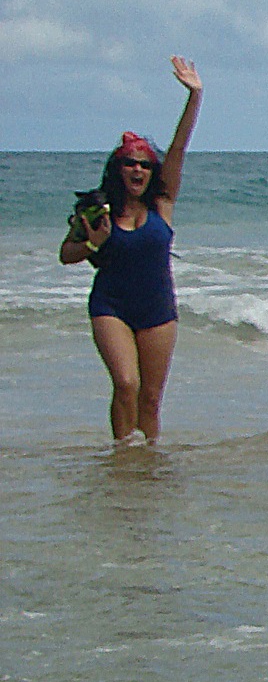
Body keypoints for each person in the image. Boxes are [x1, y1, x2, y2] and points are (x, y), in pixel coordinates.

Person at [59, 56, 203, 443]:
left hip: (157, 309)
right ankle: (122, 458)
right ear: (118, 169)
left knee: (151, 398)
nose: (138, 171)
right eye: (130, 164)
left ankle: (147, 467)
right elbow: (66, 254)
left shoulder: (163, 203)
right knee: (126, 383)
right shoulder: (98, 208)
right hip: (112, 306)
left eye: (144, 165)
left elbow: (178, 148)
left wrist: (195, 96)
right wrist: (93, 241)